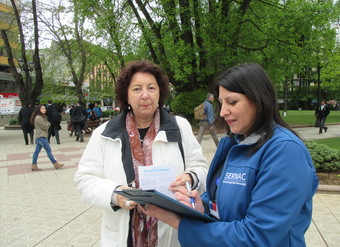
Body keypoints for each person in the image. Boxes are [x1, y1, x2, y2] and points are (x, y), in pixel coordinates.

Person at [139, 63, 319, 247]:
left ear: (258, 100)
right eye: (221, 103)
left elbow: (256, 237)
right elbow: (222, 198)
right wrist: (203, 206)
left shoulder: (285, 152)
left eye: (232, 102)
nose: (223, 112)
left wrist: (177, 221)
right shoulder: (235, 143)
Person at [74, 59, 207, 247]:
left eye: (151, 88)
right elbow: (85, 179)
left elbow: (200, 166)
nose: (145, 95)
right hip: (122, 234)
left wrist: (189, 178)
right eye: (137, 89)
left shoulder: (180, 127)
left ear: (160, 93)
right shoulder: (105, 133)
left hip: (170, 232)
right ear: (126, 96)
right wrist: (115, 194)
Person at [30, 104, 64, 171]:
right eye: (42, 108)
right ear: (39, 109)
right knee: (48, 151)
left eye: (44, 108)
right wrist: (49, 124)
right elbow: (45, 126)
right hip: (41, 136)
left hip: (40, 136)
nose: (44, 110)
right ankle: (55, 163)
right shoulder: (39, 118)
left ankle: (34, 165)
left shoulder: (42, 117)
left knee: (36, 151)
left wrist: (47, 123)